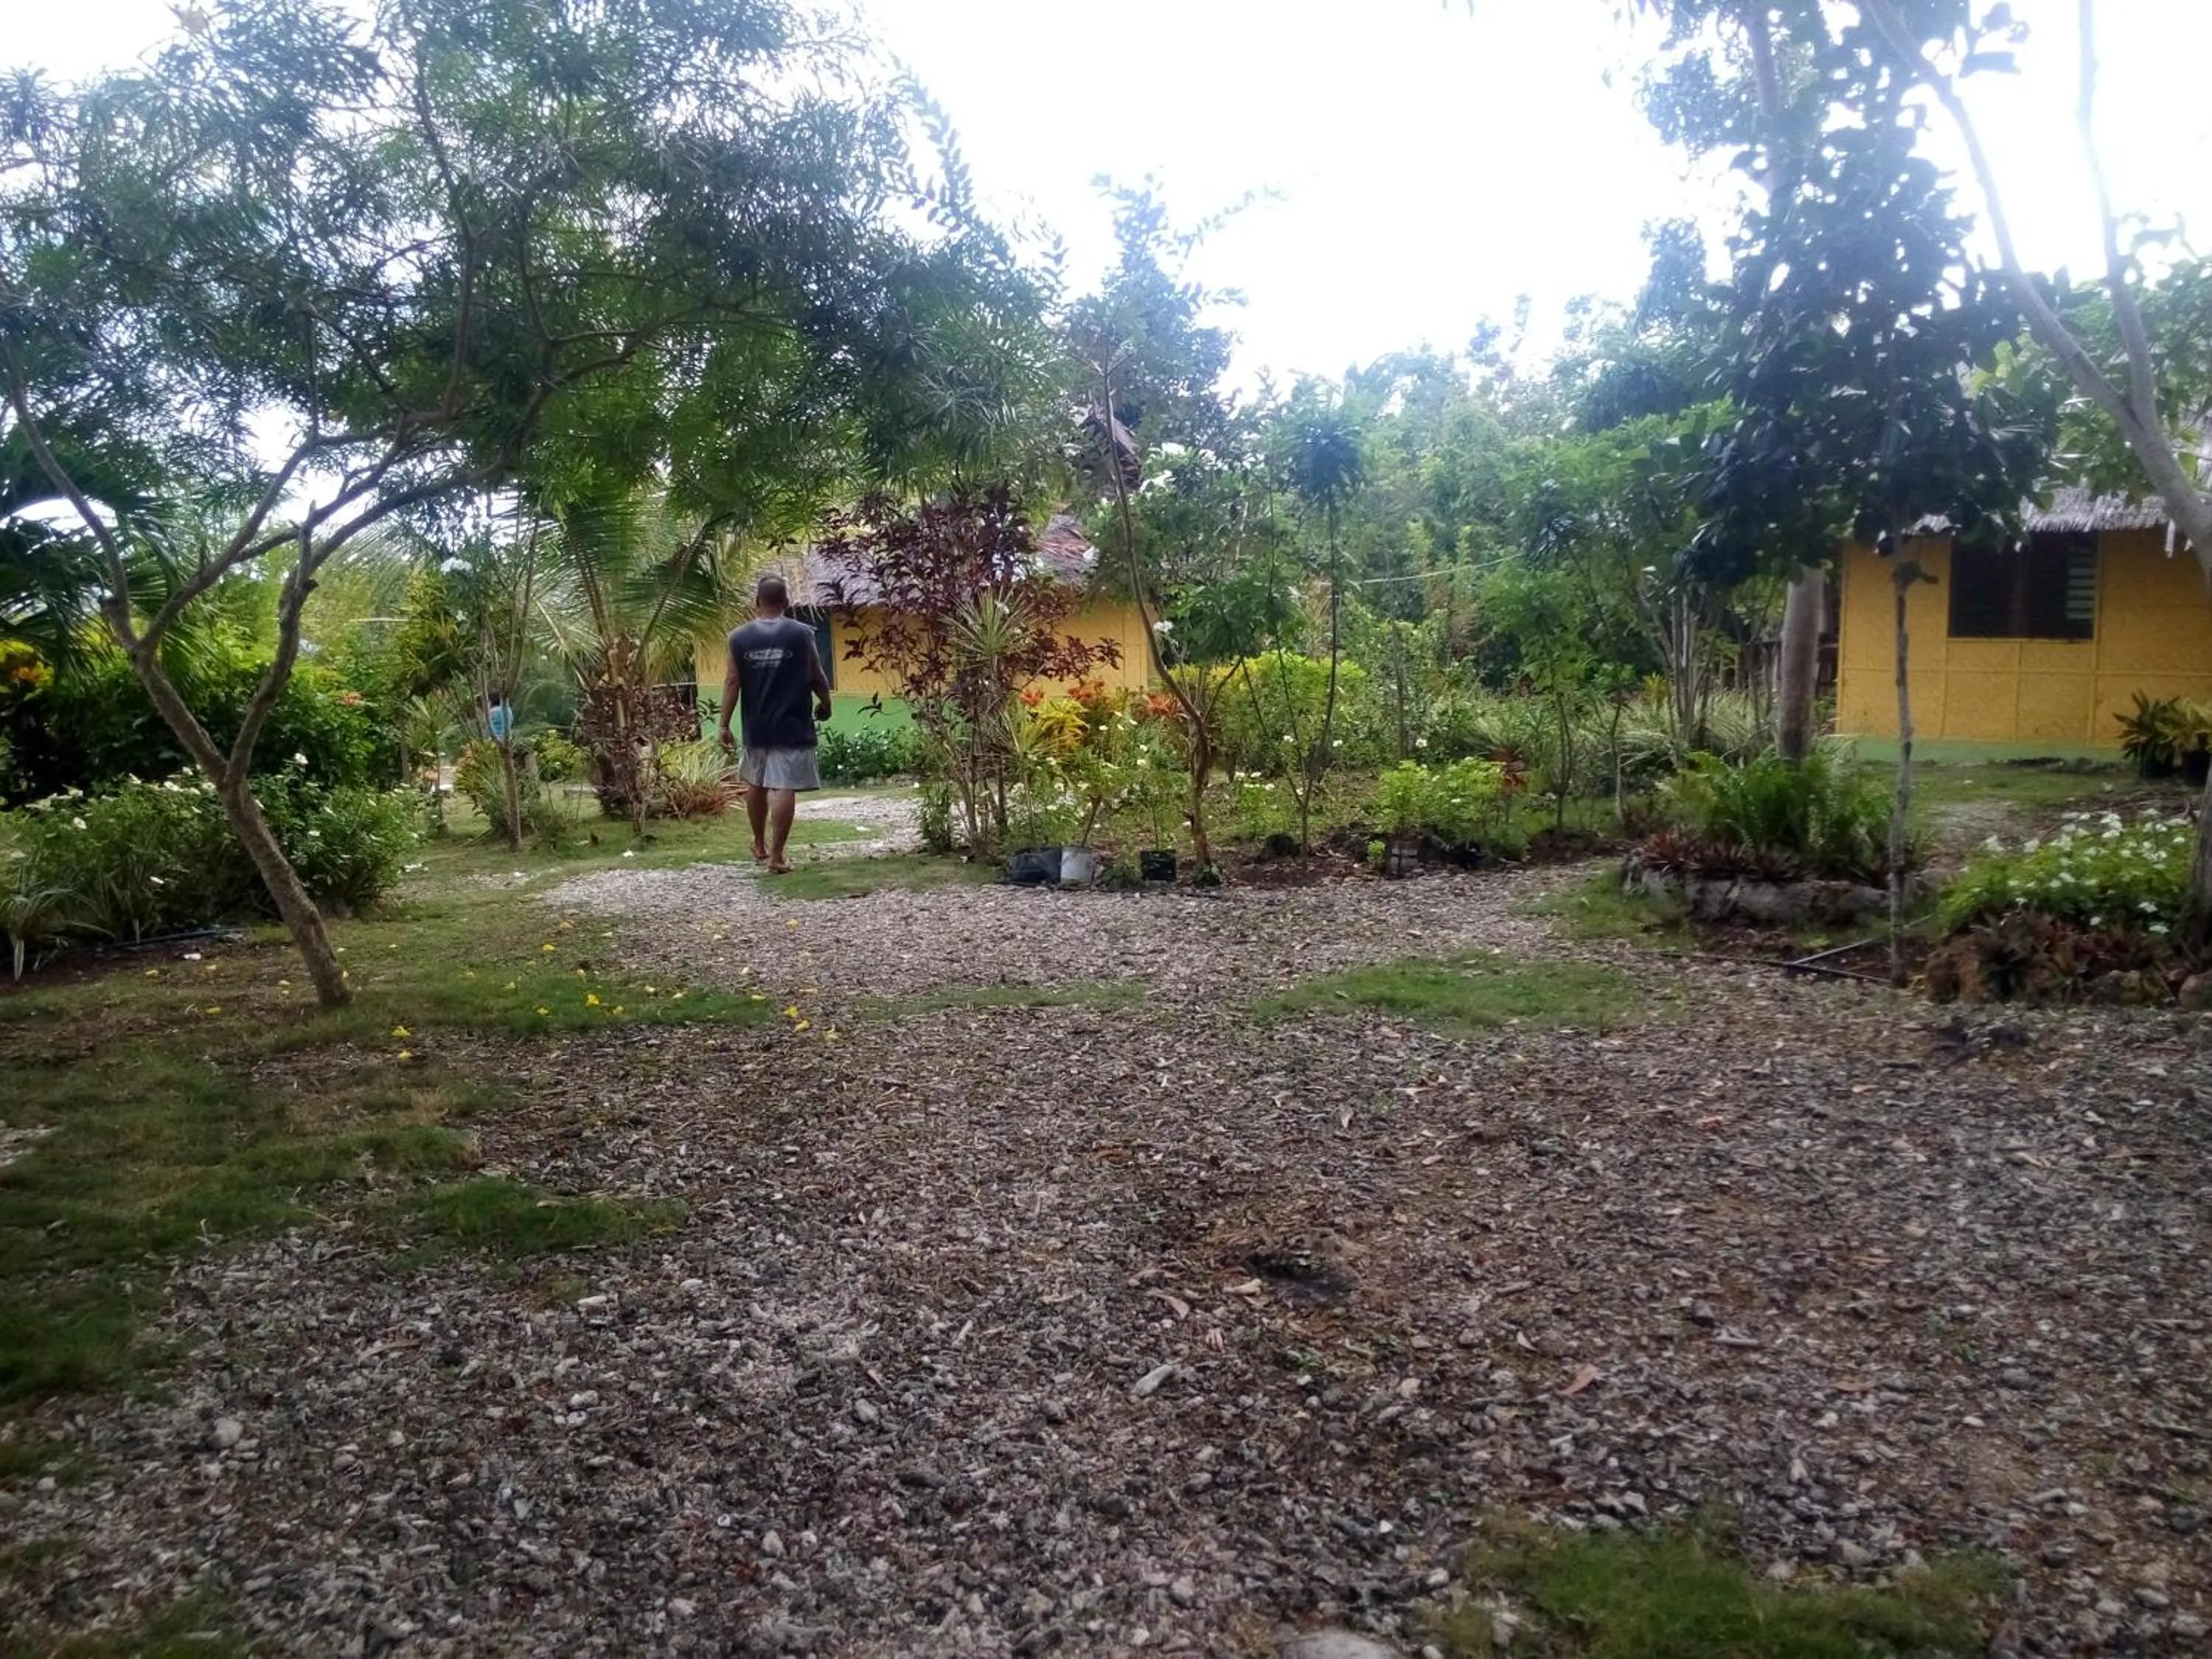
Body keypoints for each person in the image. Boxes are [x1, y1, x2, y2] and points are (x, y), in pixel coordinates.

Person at [717, 574, 832, 872]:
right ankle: (777, 856)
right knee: (784, 787)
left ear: (757, 602)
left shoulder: (738, 638)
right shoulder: (802, 634)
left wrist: (724, 724)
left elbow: (732, 682)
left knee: (756, 784)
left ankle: (759, 843)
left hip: (756, 726)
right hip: (792, 725)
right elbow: (816, 674)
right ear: (786, 602)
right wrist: (826, 701)